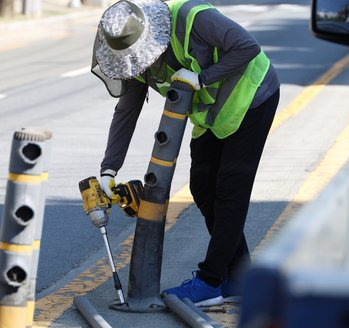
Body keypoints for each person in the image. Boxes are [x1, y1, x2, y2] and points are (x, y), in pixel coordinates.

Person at [91, 0, 280, 306]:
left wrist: (203, 77)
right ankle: (241, 278)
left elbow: (248, 48)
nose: (138, 64)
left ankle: (211, 280)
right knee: (203, 188)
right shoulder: (136, 63)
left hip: (252, 96)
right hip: (212, 114)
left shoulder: (194, 17)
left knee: (230, 189)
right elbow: (126, 111)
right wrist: (109, 169)